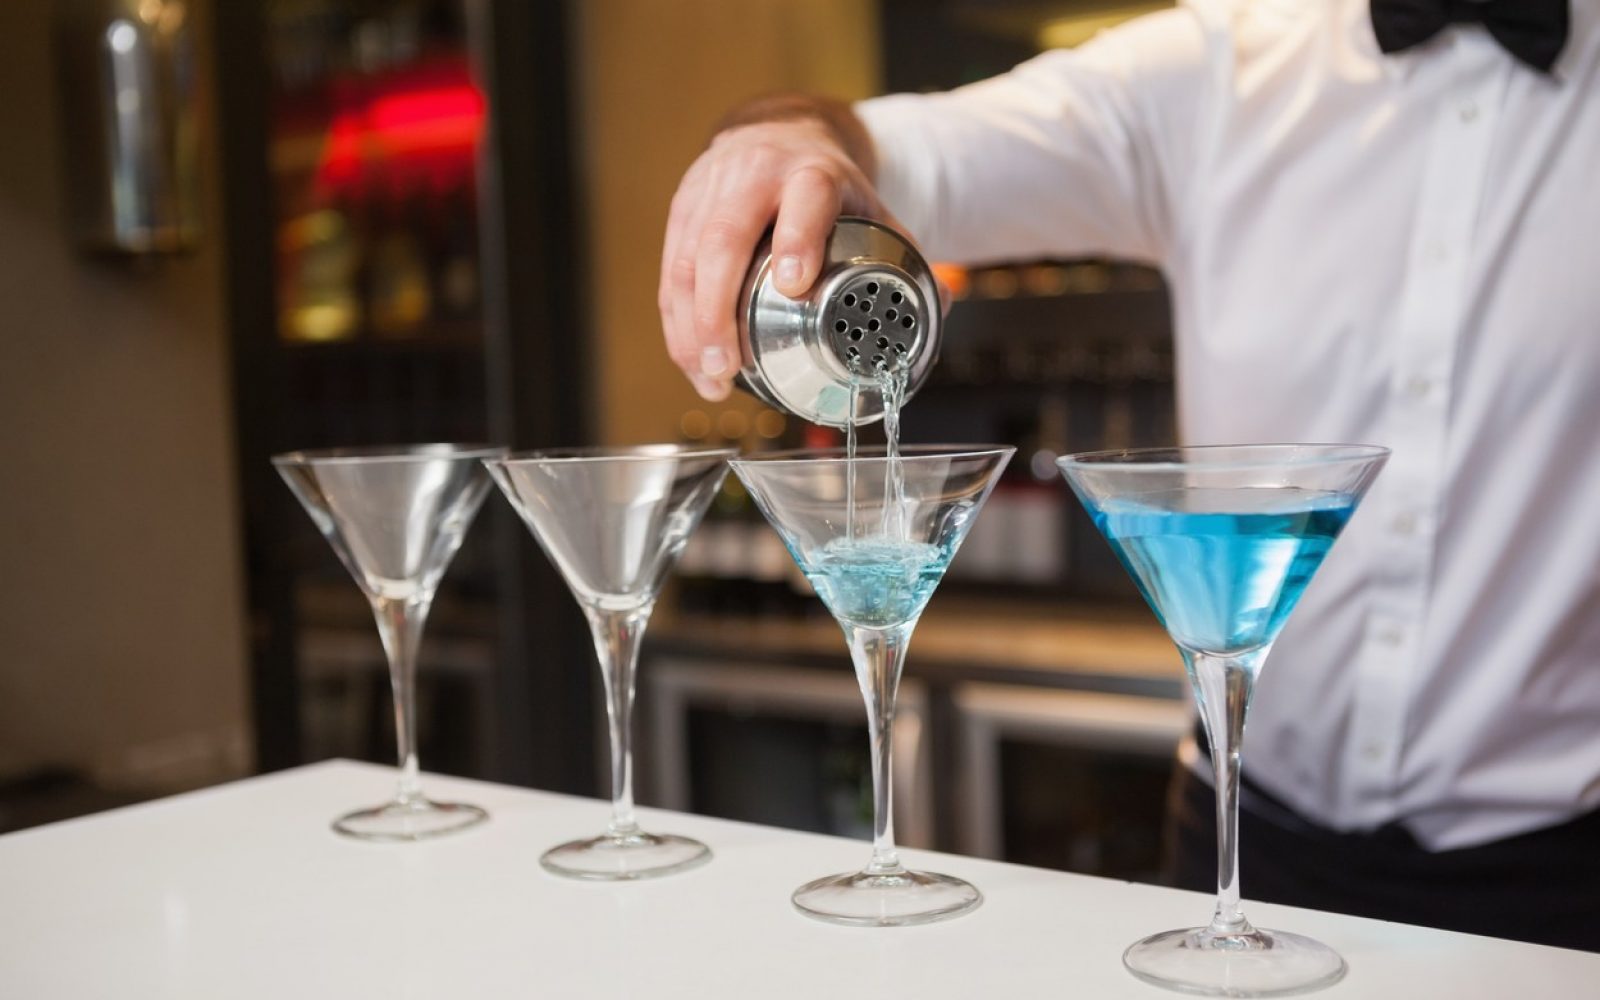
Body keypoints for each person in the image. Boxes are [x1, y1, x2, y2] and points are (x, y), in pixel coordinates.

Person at [657, 0, 1600, 951]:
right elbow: (885, 152)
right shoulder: (1213, 68)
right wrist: (785, 142)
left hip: (1565, 875)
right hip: (1247, 842)